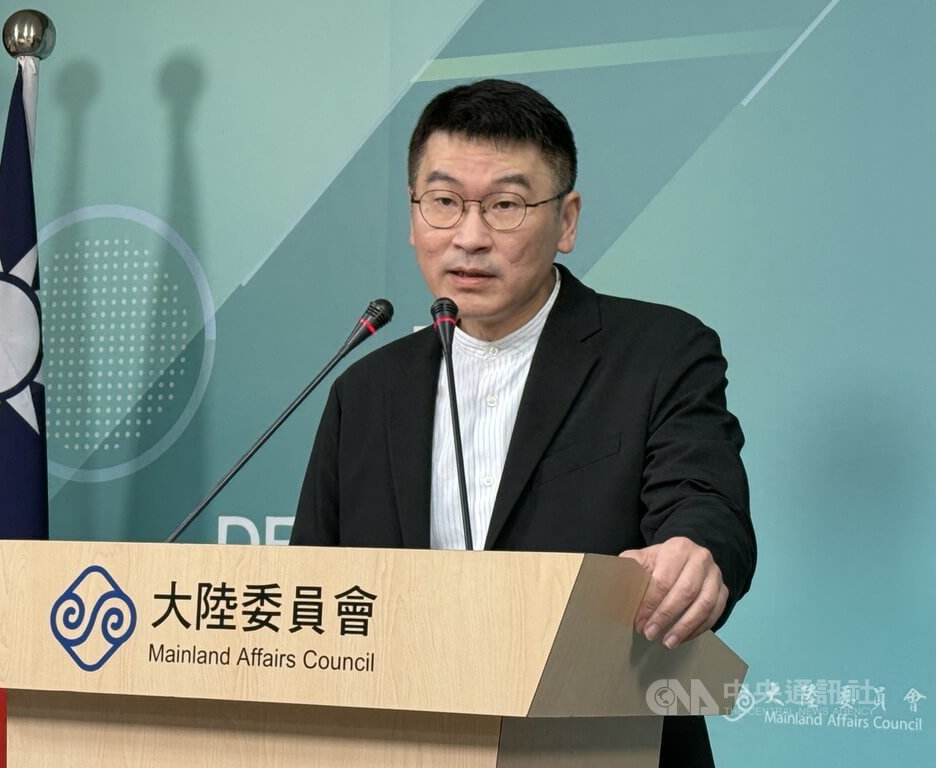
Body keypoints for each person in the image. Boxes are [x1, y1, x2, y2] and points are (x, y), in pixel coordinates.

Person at [291, 78, 756, 767]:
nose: (470, 238)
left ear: (566, 221)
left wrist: (695, 552)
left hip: (601, 746)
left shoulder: (659, 353)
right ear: (413, 215)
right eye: (444, 202)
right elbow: (310, 597)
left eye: (506, 206)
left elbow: (704, 501)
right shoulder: (364, 393)